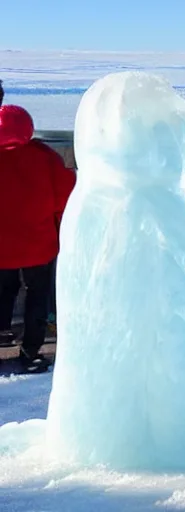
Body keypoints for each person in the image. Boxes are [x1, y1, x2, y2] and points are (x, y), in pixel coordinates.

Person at [0, 105, 76, 372]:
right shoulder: (45, 158)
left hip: (2, 251)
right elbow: (65, 197)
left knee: (3, 291)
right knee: (37, 297)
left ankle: (2, 334)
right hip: (39, 247)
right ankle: (31, 353)